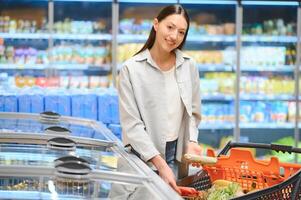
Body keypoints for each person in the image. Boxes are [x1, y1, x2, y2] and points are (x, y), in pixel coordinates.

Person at [118, 4, 202, 195]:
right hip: (142, 157)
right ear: (156, 24)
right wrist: (160, 164)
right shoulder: (131, 69)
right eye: (170, 27)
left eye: (181, 32)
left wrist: (192, 140)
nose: (174, 36)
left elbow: (194, 113)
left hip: (177, 155)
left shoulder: (189, 66)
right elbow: (132, 125)